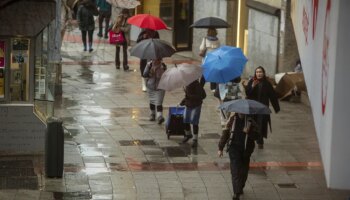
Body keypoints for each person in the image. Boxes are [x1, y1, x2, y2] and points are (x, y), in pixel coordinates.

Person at [218, 113, 256, 200]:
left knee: (244, 171)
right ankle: (236, 192)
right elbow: (225, 133)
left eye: (242, 112)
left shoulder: (251, 121)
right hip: (234, 148)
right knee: (235, 170)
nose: (240, 114)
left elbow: (257, 136)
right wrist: (220, 148)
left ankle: (240, 187)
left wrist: (249, 132)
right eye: (239, 112)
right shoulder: (232, 120)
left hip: (246, 150)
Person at [244, 66, 280, 149]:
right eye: (257, 72)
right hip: (253, 108)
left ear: (263, 73)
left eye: (260, 72)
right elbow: (247, 94)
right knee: (253, 123)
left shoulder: (267, 84)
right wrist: (252, 86)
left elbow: (273, 96)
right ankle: (252, 139)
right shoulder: (252, 81)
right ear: (255, 73)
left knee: (261, 124)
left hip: (263, 108)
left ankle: (260, 140)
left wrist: (276, 108)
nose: (259, 74)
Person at [180, 79, 206, 148]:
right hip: (188, 104)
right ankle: (188, 134)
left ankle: (195, 139)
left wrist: (189, 97)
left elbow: (200, 96)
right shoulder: (187, 83)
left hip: (196, 105)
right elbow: (187, 95)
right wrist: (184, 100)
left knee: (194, 121)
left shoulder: (196, 84)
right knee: (185, 119)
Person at [143, 59, 167, 124]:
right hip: (151, 86)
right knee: (152, 101)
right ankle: (152, 114)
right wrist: (150, 73)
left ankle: (159, 116)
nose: (157, 60)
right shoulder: (149, 65)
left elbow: (166, 76)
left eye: (158, 58)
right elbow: (144, 74)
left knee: (159, 102)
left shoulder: (163, 66)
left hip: (161, 87)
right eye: (155, 58)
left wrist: (162, 72)